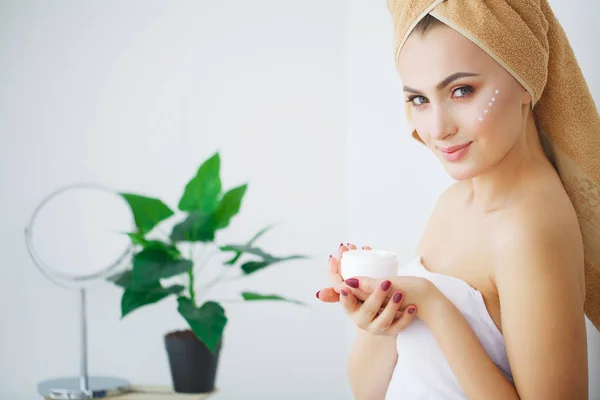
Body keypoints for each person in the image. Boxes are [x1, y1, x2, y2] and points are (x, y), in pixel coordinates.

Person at [317, 1, 600, 398]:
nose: (437, 128)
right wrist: (383, 312)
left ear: (524, 79)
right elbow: (368, 390)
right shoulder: (455, 201)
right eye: (419, 99)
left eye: (462, 90)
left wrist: (431, 305)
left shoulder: (528, 227)